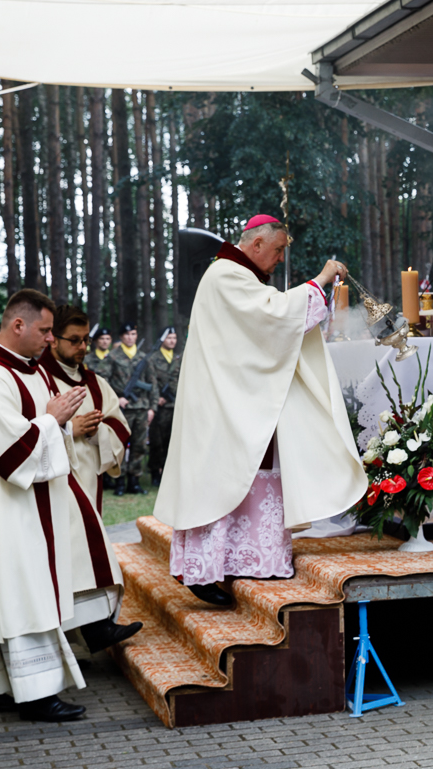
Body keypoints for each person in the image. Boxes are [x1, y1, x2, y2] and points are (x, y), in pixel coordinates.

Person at [153, 214, 366, 606]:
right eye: (278, 250)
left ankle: (249, 560)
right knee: (220, 483)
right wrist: (320, 280)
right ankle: (203, 570)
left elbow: (267, 323)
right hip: (222, 404)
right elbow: (273, 316)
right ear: (256, 245)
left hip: (234, 397)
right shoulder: (227, 275)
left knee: (242, 476)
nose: (280, 258)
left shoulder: (236, 275)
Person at [0, 290, 90, 722]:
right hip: (5, 512)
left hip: (32, 508)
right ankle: (36, 695)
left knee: (16, 594)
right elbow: (8, 452)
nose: (51, 339)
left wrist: (59, 424)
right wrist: (54, 420)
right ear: (18, 325)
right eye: (46, 330)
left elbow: (47, 431)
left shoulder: (33, 372)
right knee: (21, 596)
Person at [37, 305, 142, 656]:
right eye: (74, 340)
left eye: (86, 340)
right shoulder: (38, 378)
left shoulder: (95, 382)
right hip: (53, 482)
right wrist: (69, 428)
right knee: (77, 552)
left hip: (88, 481)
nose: (83, 347)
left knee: (80, 555)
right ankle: (88, 632)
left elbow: (119, 427)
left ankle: (87, 635)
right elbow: (26, 428)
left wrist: (96, 432)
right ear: (53, 340)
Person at [108, 324, 157, 495]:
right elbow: (103, 380)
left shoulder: (144, 358)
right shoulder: (113, 357)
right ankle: (120, 482)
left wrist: (152, 408)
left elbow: (152, 383)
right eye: (127, 334)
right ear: (121, 337)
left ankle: (134, 481)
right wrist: (116, 398)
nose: (130, 337)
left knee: (139, 445)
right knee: (120, 445)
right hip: (122, 409)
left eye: (133, 334)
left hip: (141, 408)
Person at [148, 327, 181, 487]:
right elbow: (152, 381)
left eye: (174, 338)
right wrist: (156, 399)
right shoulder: (153, 359)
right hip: (160, 406)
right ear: (162, 339)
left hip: (175, 406)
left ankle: (169, 473)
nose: (172, 341)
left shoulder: (178, 359)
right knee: (157, 441)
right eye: (169, 338)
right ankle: (155, 472)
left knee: (172, 441)